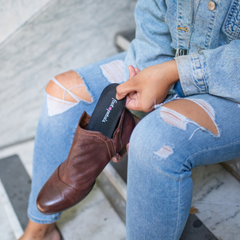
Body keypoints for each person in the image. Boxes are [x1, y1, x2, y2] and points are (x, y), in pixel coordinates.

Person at [19, 0, 240, 239]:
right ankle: (39, 232)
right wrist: (150, 71)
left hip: (229, 85)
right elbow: (152, 14)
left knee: (153, 140)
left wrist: (174, 73)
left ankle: (124, 130)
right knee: (63, 93)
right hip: (173, 57)